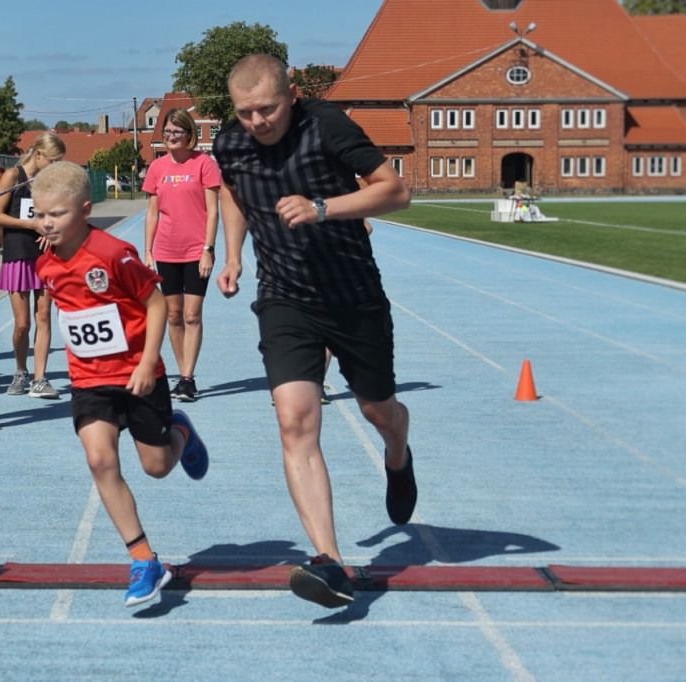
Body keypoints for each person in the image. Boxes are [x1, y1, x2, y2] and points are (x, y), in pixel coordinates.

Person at [212, 54, 414, 609]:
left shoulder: (328, 125)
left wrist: (323, 207)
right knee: (294, 421)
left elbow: (395, 192)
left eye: (267, 109)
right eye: (246, 111)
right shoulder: (229, 142)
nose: (258, 122)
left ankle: (398, 452)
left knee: (379, 410)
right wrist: (233, 254)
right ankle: (330, 562)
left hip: (352, 295)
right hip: (284, 297)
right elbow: (232, 190)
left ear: (292, 94)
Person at [32, 161, 209, 608]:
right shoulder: (45, 265)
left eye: (58, 214)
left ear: (86, 210)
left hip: (138, 373)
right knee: (99, 460)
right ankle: (144, 558)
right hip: (89, 380)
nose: (47, 223)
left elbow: (154, 304)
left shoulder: (113, 253)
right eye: (40, 214)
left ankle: (181, 432)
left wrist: (149, 361)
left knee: (156, 467)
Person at [141, 108, 222, 403]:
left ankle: (188, 377)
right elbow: (152, 213)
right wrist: (148, 251)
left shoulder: (204, 164)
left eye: (177, 132)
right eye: (167, 132)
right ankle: (182, 376)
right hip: (166, 249)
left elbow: (213, 211)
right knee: (173, 315)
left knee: (192, 314)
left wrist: (208, 249)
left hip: (196, 249)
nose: (171, 137)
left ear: (189, 135)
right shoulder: (157, 168)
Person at [0, 132, 64, 399]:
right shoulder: (13, 175)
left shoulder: (50, 182)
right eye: (53, 160)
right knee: (22, 324)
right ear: (39, 154)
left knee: (43, 316)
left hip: (45, 255)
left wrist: (50, 230)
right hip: (18, 253)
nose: (55, 166)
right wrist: (31, 225)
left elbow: (56, 215)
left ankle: (40, 378)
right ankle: (20, 371)